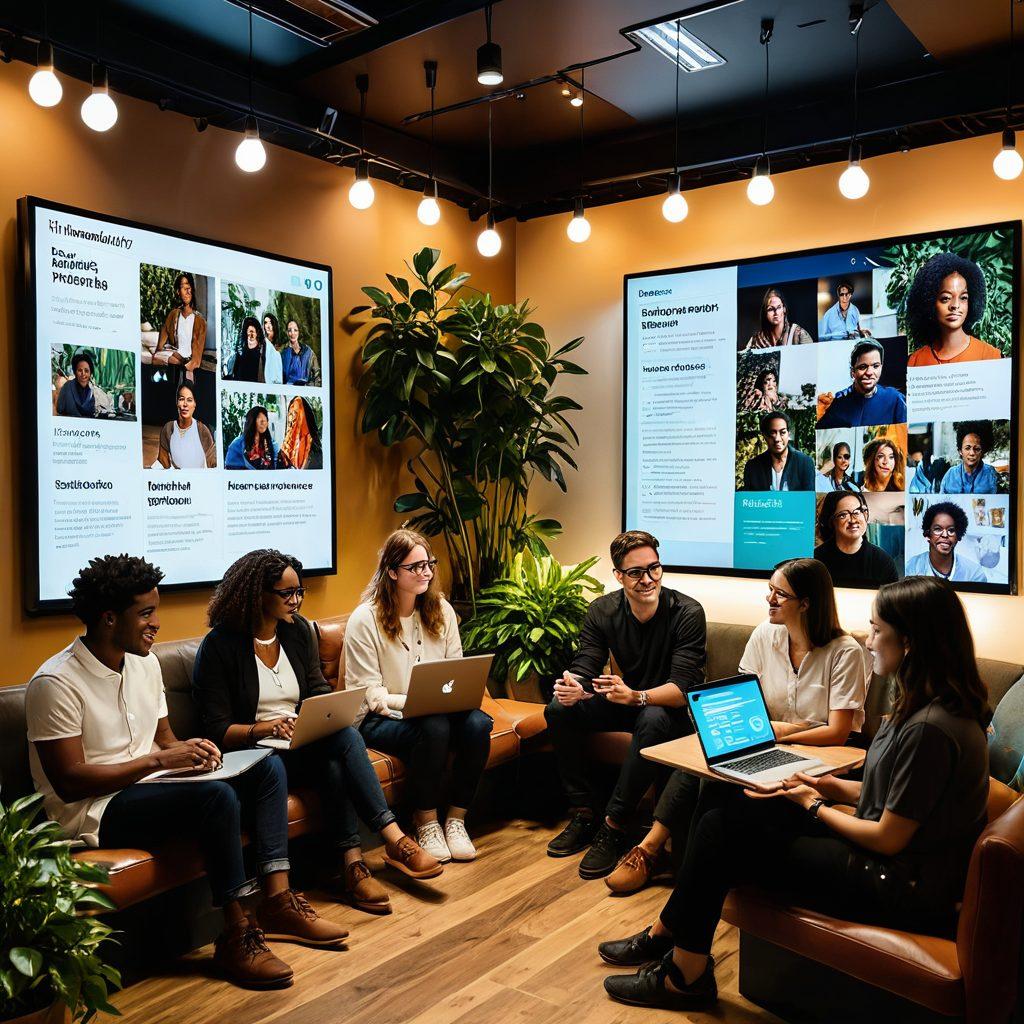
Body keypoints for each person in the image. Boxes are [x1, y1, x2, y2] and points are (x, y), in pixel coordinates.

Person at [597, 576, 991, 1012]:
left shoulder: (930, 728)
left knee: (720, 832)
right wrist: (825, 784)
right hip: (889, 860)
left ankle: (683, 971)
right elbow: (892, 796)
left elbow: (888, 837)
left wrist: (814, 805)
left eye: (877, 630)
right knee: (730, 803)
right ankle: (672, 936)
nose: (869, 640)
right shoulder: (925, 706)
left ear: (910, 643)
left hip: (896, 883)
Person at [25, 555, 347, 990]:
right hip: (95, 810)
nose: (157, 623)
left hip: (151, 786)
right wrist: (160, 761)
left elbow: (164, 740)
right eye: (146, 614)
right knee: (216, 798)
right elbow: (69, 782)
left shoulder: (144, 663)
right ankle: (236, 933)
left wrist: (194, 752)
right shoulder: (55, 683)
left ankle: (278, 900)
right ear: (108, 618)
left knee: (266, 767)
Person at [192, 549, 441, 914]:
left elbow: (316, 689)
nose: (295, 600)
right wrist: (264, 728)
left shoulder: (297, 632)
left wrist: (320, 714)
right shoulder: (219, 646)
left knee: (343, 740)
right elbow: (216, 729)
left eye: (300, 592)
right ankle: (374, 853)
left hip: (296, 742)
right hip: (252, 753)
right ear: (255, 594)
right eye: (286, 593)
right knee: (330, 761)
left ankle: (364, 859)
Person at [605, 558, 869, 896]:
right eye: (770, 590)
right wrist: (772, 730)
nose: (769, 599)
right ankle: (657, 852)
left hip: (821, 756)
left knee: (715, 780)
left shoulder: (845, 652)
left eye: (779, 594)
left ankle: (669, 862)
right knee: (710, 761)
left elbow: (837, 732)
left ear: (805, 603)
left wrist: (783, 731)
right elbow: (746, 702)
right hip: (765, 741)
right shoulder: (765, 634)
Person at [544, 530, 706, 880]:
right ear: (618, 575)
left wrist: (636, 696)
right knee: (558, 709)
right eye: (636, 572)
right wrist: (575, 686)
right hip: (627, 700)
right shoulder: (603, 610)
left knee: (652, 717)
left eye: (654, 568)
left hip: (673, 713)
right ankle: (584, 813)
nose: (647, 579)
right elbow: (587, 662)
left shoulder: (687, 612)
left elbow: (682, 689)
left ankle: (614, 825)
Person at [345, 530, 492, 864]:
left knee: (478, 724)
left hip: (436, 710)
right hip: (379, 719)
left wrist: (442, 698)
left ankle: (456, 820)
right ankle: (425, 822)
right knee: (435, 726)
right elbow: (372, 695)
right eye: (416, 567)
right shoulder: (364, 619)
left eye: (429, 564)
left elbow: (455, 671)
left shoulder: (441, 609)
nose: (426, 572)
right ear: (392, 572)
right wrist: (416, 702)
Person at [905, 253, 1002, 366]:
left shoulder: (990, 357)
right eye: (945, 298)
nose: (955, 305)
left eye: (963, 298)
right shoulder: (915, 361)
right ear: (930, 302)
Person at [814, 491, 899, 587]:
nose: (853, 520)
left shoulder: (883, 561)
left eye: (857, 512)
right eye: (843, 515)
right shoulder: (817, 560)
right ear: (831, 521)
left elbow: (892, 596)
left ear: (865, 514)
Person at [817, 341, 907, 428]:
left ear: (881, 367)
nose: (869, 372)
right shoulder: (839, 403)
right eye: (862, 367)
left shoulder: (895, 398)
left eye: (875, 366)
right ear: (852, 372)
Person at [906, 502, 988, 583]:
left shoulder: (974, 574)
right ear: (928, 534)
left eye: (951, 530)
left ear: (958, 536)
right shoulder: (912, 567)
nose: (945, 535)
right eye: (938, 529)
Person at [742, 412, 815, 491]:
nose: (777, 439)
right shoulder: (753, 467)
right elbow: (749, 497)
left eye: (782, 433)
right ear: (765, 436)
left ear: (788, 434)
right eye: (772, 433)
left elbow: (809, 497)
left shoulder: (804, 463)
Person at [156, 383, 217, 469]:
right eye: (181, 399)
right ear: (177, 402)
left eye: (189, 400)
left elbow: (213, 462)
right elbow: (163, 461)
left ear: (195, 404)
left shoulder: (202, 430)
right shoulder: (168, 428)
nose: (185, 404)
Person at [156, 272, 206, 374]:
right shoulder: (173, 314)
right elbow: (160, 348)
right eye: (184, 287)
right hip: (174, 359)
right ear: (178, 292)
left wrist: (185, 367)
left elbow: (196, 360)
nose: (188, 290)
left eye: (190, 287)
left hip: (188, 363)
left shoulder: (200, 321)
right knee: (157, 358)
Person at [940, 421, 999, 494]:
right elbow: (941, 499)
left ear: (982, 451)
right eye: (967, 448)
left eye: (977, 449)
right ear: (960, 451)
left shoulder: (991, 474)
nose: (972, 453)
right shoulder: (950, 474)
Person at [743, 288, 813, 349]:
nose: (776, 313)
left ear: (784, 309)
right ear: (765, 313)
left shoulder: (798, 334)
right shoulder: (756, 340)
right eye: (771, 309)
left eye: (779, 307)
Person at [56, 351, 113, 418]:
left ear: (90, 372)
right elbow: (60, 410)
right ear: (75, 372)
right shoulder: (67, 387)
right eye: (80, 370)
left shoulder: (96, 391)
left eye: (86, 371)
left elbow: (108, 408)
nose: (83, 374)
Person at [277, 396, 323, 470]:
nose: (291, 418)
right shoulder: (284, 450)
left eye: (296, 413)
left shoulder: (317, 453)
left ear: (307, 418)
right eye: (290, 414)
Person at [225, 406, 276, 470]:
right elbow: (230, 468)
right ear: (251, 421)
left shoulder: (271, 443)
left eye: (265, 419)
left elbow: (274, 466)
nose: (263, 422)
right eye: (259, 419)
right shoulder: (236, 445)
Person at [281, 320, 322, 387]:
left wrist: (307, 387)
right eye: (289, 330)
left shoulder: (308, 352)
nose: (292, 333)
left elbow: (317, 377)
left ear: (299, 332)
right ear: (286, 333)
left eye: (295, 330)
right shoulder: (282, 352)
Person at [230, 317, 266, 383]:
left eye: (252, 332)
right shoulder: (240, 353)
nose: (250, 335)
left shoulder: (263, 354)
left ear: (257, 333)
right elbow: (235, 372)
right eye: (248, 332)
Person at [261, 313, 284, 385]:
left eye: (270, 323)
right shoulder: (263, 343)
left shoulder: (279, 350)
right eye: (265, 323)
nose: (268, 326)